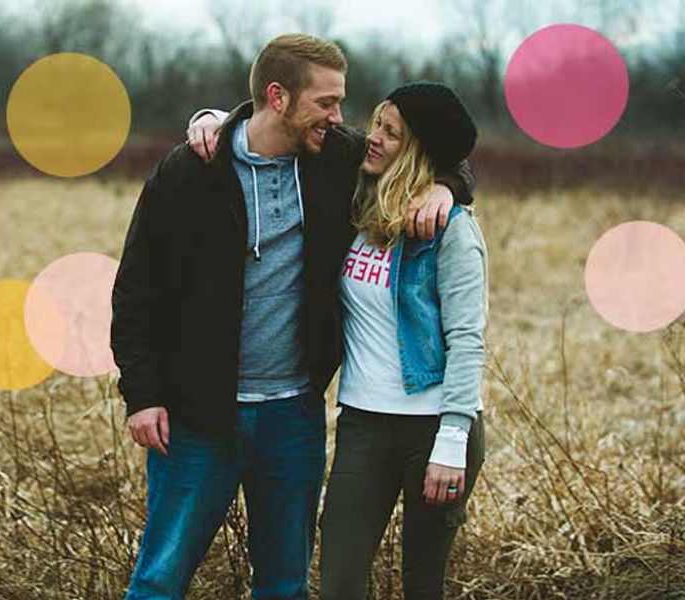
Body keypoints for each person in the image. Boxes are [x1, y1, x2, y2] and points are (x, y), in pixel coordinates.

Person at [110, 33, 475, 600]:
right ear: (278, 97)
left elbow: (430, 154)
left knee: (285, 585)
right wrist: (142, 394)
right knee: (159, 580)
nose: (339, 117)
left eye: (340, 102)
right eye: (326, 102)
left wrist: (449, 189)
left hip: (293, 418)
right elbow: (136, 291)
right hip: (197, 416)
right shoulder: (191, 171)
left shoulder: (336, 160)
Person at [189, 82, 488, 600]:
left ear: (417, 153)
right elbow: (277, 128)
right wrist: (217, 117)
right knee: (338, 582)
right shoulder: (357, 202)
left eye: (391, 133)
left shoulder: (451, 231)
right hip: (362, 424)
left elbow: (467, 340)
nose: (372, 137)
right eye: (377, 124)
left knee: (423, 585)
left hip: (435, 427)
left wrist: (452, 440)